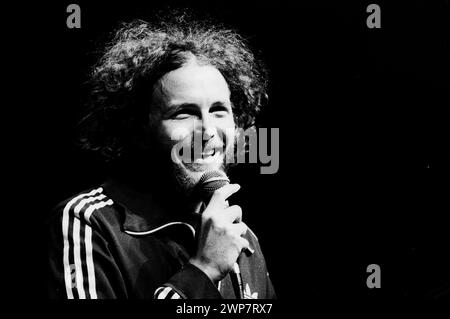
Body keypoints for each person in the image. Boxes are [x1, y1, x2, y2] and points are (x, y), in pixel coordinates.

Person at [46, 11, 276, 299]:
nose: (208, 130)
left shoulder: (242, 238)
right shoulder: (90, 222)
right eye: (184, 113)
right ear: (139, 129)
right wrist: (202, 270)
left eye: (219, 110)